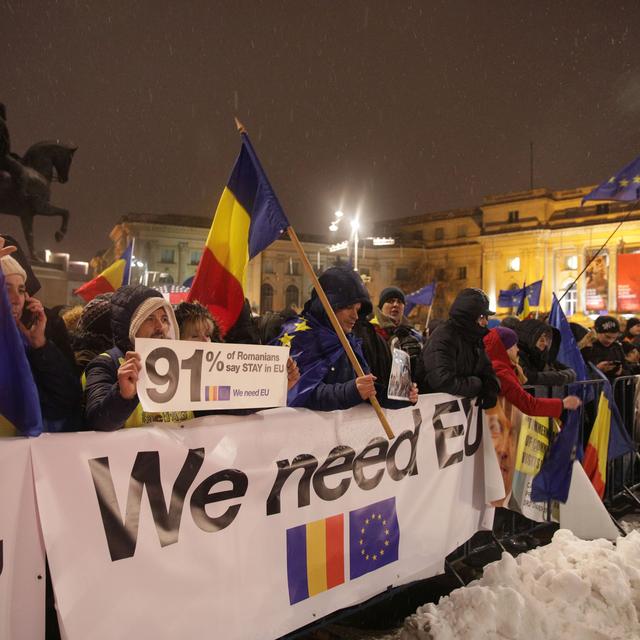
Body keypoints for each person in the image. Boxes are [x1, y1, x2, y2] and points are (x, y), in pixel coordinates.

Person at [275, 266, 417, 411]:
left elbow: (367, 389)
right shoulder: (300, 336)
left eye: (357, 309)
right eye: (349, 307)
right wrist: (352, 391)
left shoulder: (350, 339)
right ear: (329, 305)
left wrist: (400, 396)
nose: (355, 316)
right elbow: (303, 394)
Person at [84, 285, 192, 430]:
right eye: (149, 318)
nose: (160, 327)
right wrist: (123, 396)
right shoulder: (105, 364)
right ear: (130, 325)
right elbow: (97, 422)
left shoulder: (182, 364)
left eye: (165, 319)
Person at [1, 250, 81, 432]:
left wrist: (41, 346)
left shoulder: (29, 342)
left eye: (21, 290)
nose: (16, 300)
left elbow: (62, 403)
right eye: (5, 289)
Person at [418, 287, 499, 408]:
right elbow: (441, 380)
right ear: (468, 316)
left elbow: (486, 369)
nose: (486, 322)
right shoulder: (444, 337)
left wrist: (490, 387)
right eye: (482, 316)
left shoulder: (474, 338)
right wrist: (477, 385)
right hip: (433, 413)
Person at [355, 286, 424, 383]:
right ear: (381, 306)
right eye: (391, 301)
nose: (395, 305)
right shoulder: (371, 331)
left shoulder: (413, 334)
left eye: (400, 302)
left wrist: (415, 361)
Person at [515, 319, 577, 389]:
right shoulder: (517, 355)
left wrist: (559, 377)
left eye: (546, 337)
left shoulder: (543, 355)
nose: (545, 343)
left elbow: (571, 372)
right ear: (528, 338)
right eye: (540, 338)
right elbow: (527, 377)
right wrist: (559, 378)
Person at [581, 315, 629, 381]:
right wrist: (597, 370)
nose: (610, 341)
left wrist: (621, 372)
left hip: (615, 388)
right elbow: (579, 372)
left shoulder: (617, 347)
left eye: (614, 338)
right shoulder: (586, 348)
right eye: (607, 337)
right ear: (597, 332)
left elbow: (628, 369)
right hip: (595, 389)